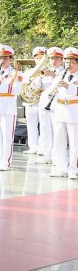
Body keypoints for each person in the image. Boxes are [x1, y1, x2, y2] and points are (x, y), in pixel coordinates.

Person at [0, 44, 22, 171]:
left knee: (7, 136)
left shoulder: (16, 73)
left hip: (7, 107)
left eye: (6, 58)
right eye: (0, 58)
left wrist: (1, 84)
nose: (3, 60)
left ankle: (5, 161)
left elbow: (17, 89)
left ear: (10, 59)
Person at [33, 47, 64, 166]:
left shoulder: (64, 72)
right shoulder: (45, 70)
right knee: (45, 130)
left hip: (57, 106)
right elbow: (36, 86)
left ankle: (56, 157)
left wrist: (54, 75)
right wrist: (39, 77)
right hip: (43, 104)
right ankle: (46, 155)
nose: (53, 61)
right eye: (51, 58)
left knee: (57, 132)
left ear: (61, 59)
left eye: (56, 58)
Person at [50, 47, 78, 178]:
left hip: (74, 111)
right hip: (60, 110)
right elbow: (52, 91)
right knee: (59, 141)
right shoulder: (61, 75)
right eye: (67, 62)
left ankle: (73, 169)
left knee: (74, 143)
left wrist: (69, 87)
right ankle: (61, 167)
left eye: (72, 62)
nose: (69, 65)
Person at [22, 46, 47, 155]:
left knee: (43, 125)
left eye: (41, 56)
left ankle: (42, 147)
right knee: (31, 125)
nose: (39, 59)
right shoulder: (28, 72)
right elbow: (23, 87)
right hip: (30, 102)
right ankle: (33, 146)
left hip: (42, 102)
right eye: (37, 57)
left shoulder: (47, 71)